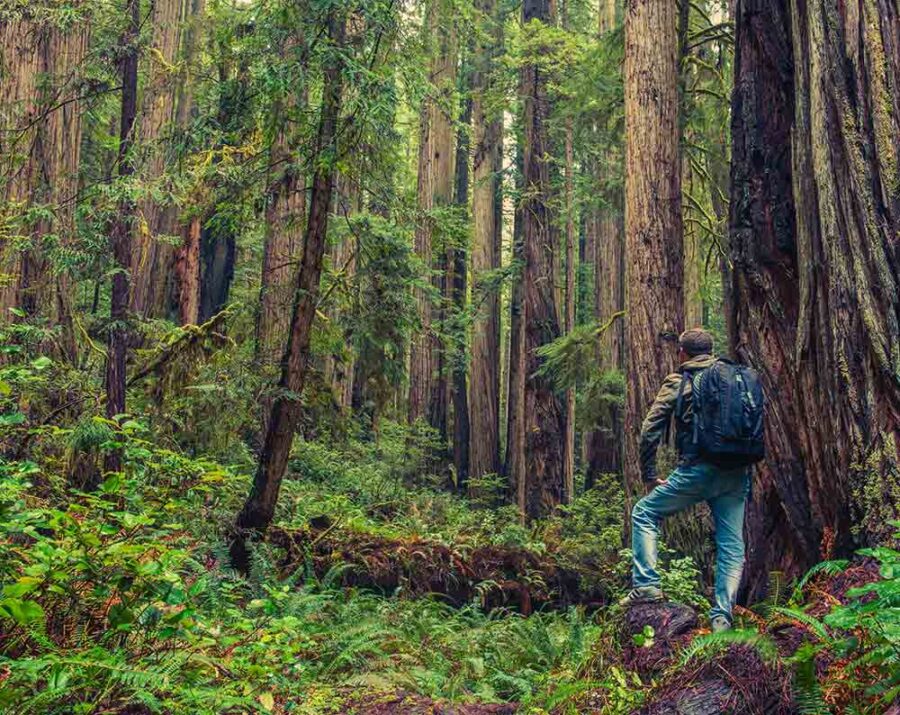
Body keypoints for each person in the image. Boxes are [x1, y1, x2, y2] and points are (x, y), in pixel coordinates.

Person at [619, 328, 750, 632]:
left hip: (698, 470)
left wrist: (649, 474)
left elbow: (650, 429)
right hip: (736, 472)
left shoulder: (681, 381)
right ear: (710, 351)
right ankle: (722, 616)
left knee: (644, 512)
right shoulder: (736, 377)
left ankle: (646, 585)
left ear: (682, 352)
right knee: (731, 544)